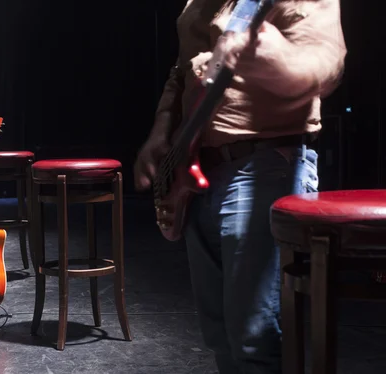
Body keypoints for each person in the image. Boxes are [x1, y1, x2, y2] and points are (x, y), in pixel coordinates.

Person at [133, 0, 346, 373]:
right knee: (220, 338)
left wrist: (277, 62)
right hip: (199, 173)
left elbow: (324, 65)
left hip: (265, 167)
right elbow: (182, 72)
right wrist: (161, 129)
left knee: (254, 340)